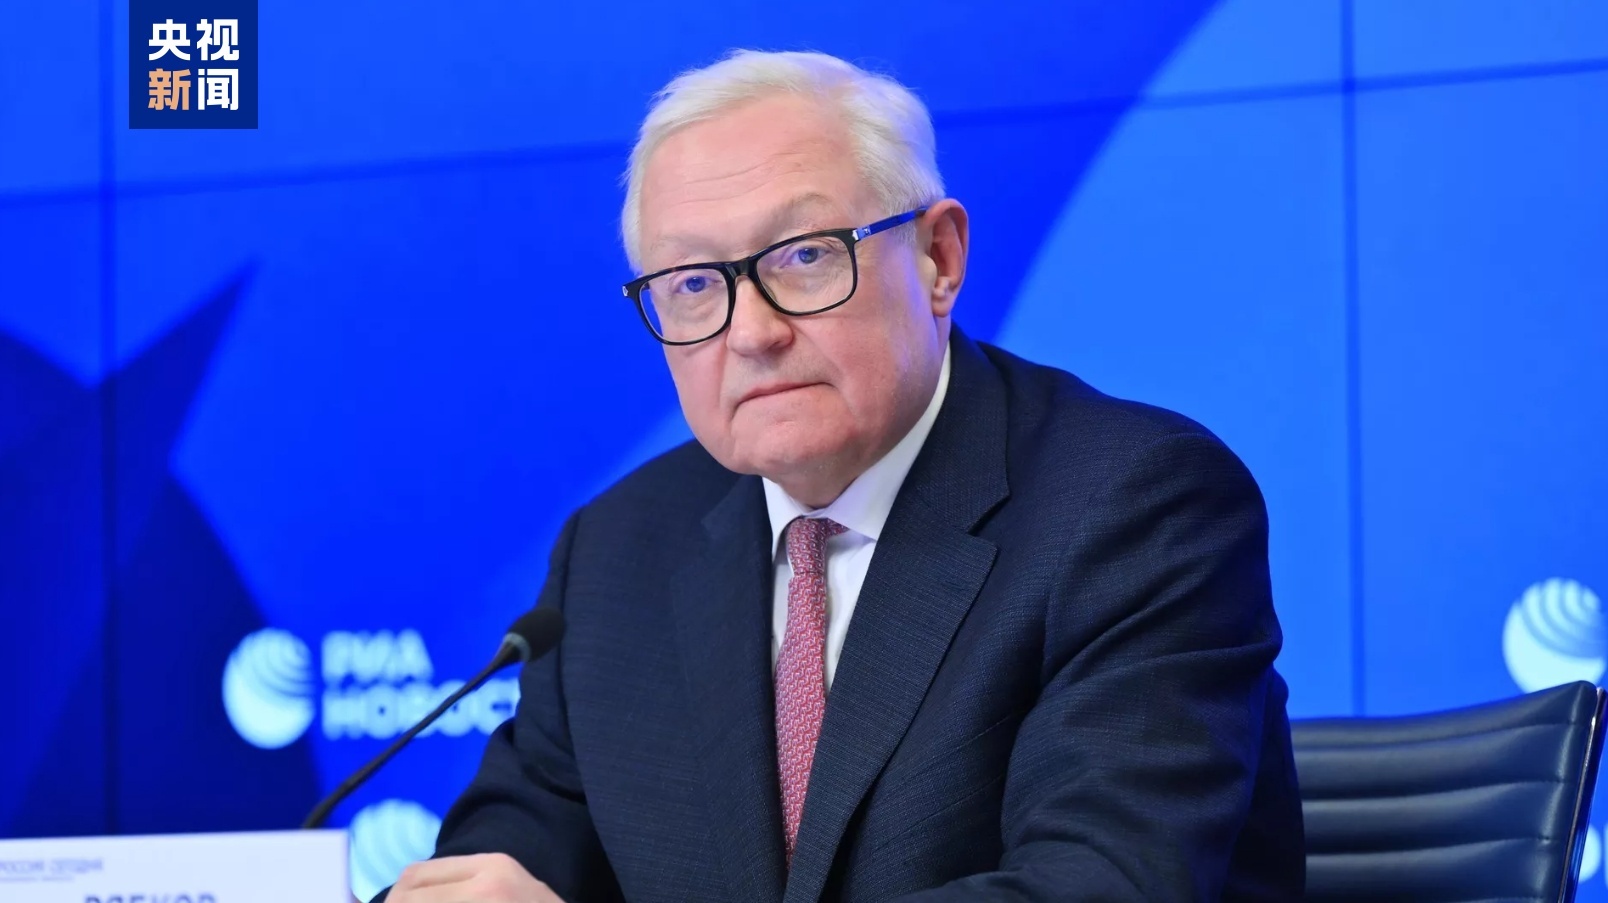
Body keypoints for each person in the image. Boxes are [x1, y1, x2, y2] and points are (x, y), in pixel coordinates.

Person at [377, 49, 1303, 903]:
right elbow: (505, 857)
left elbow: (1095, 883)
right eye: (693, 283)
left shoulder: (1136, 505)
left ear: (939, 259)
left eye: (806, 256)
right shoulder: (620, 549)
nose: (752, 331)